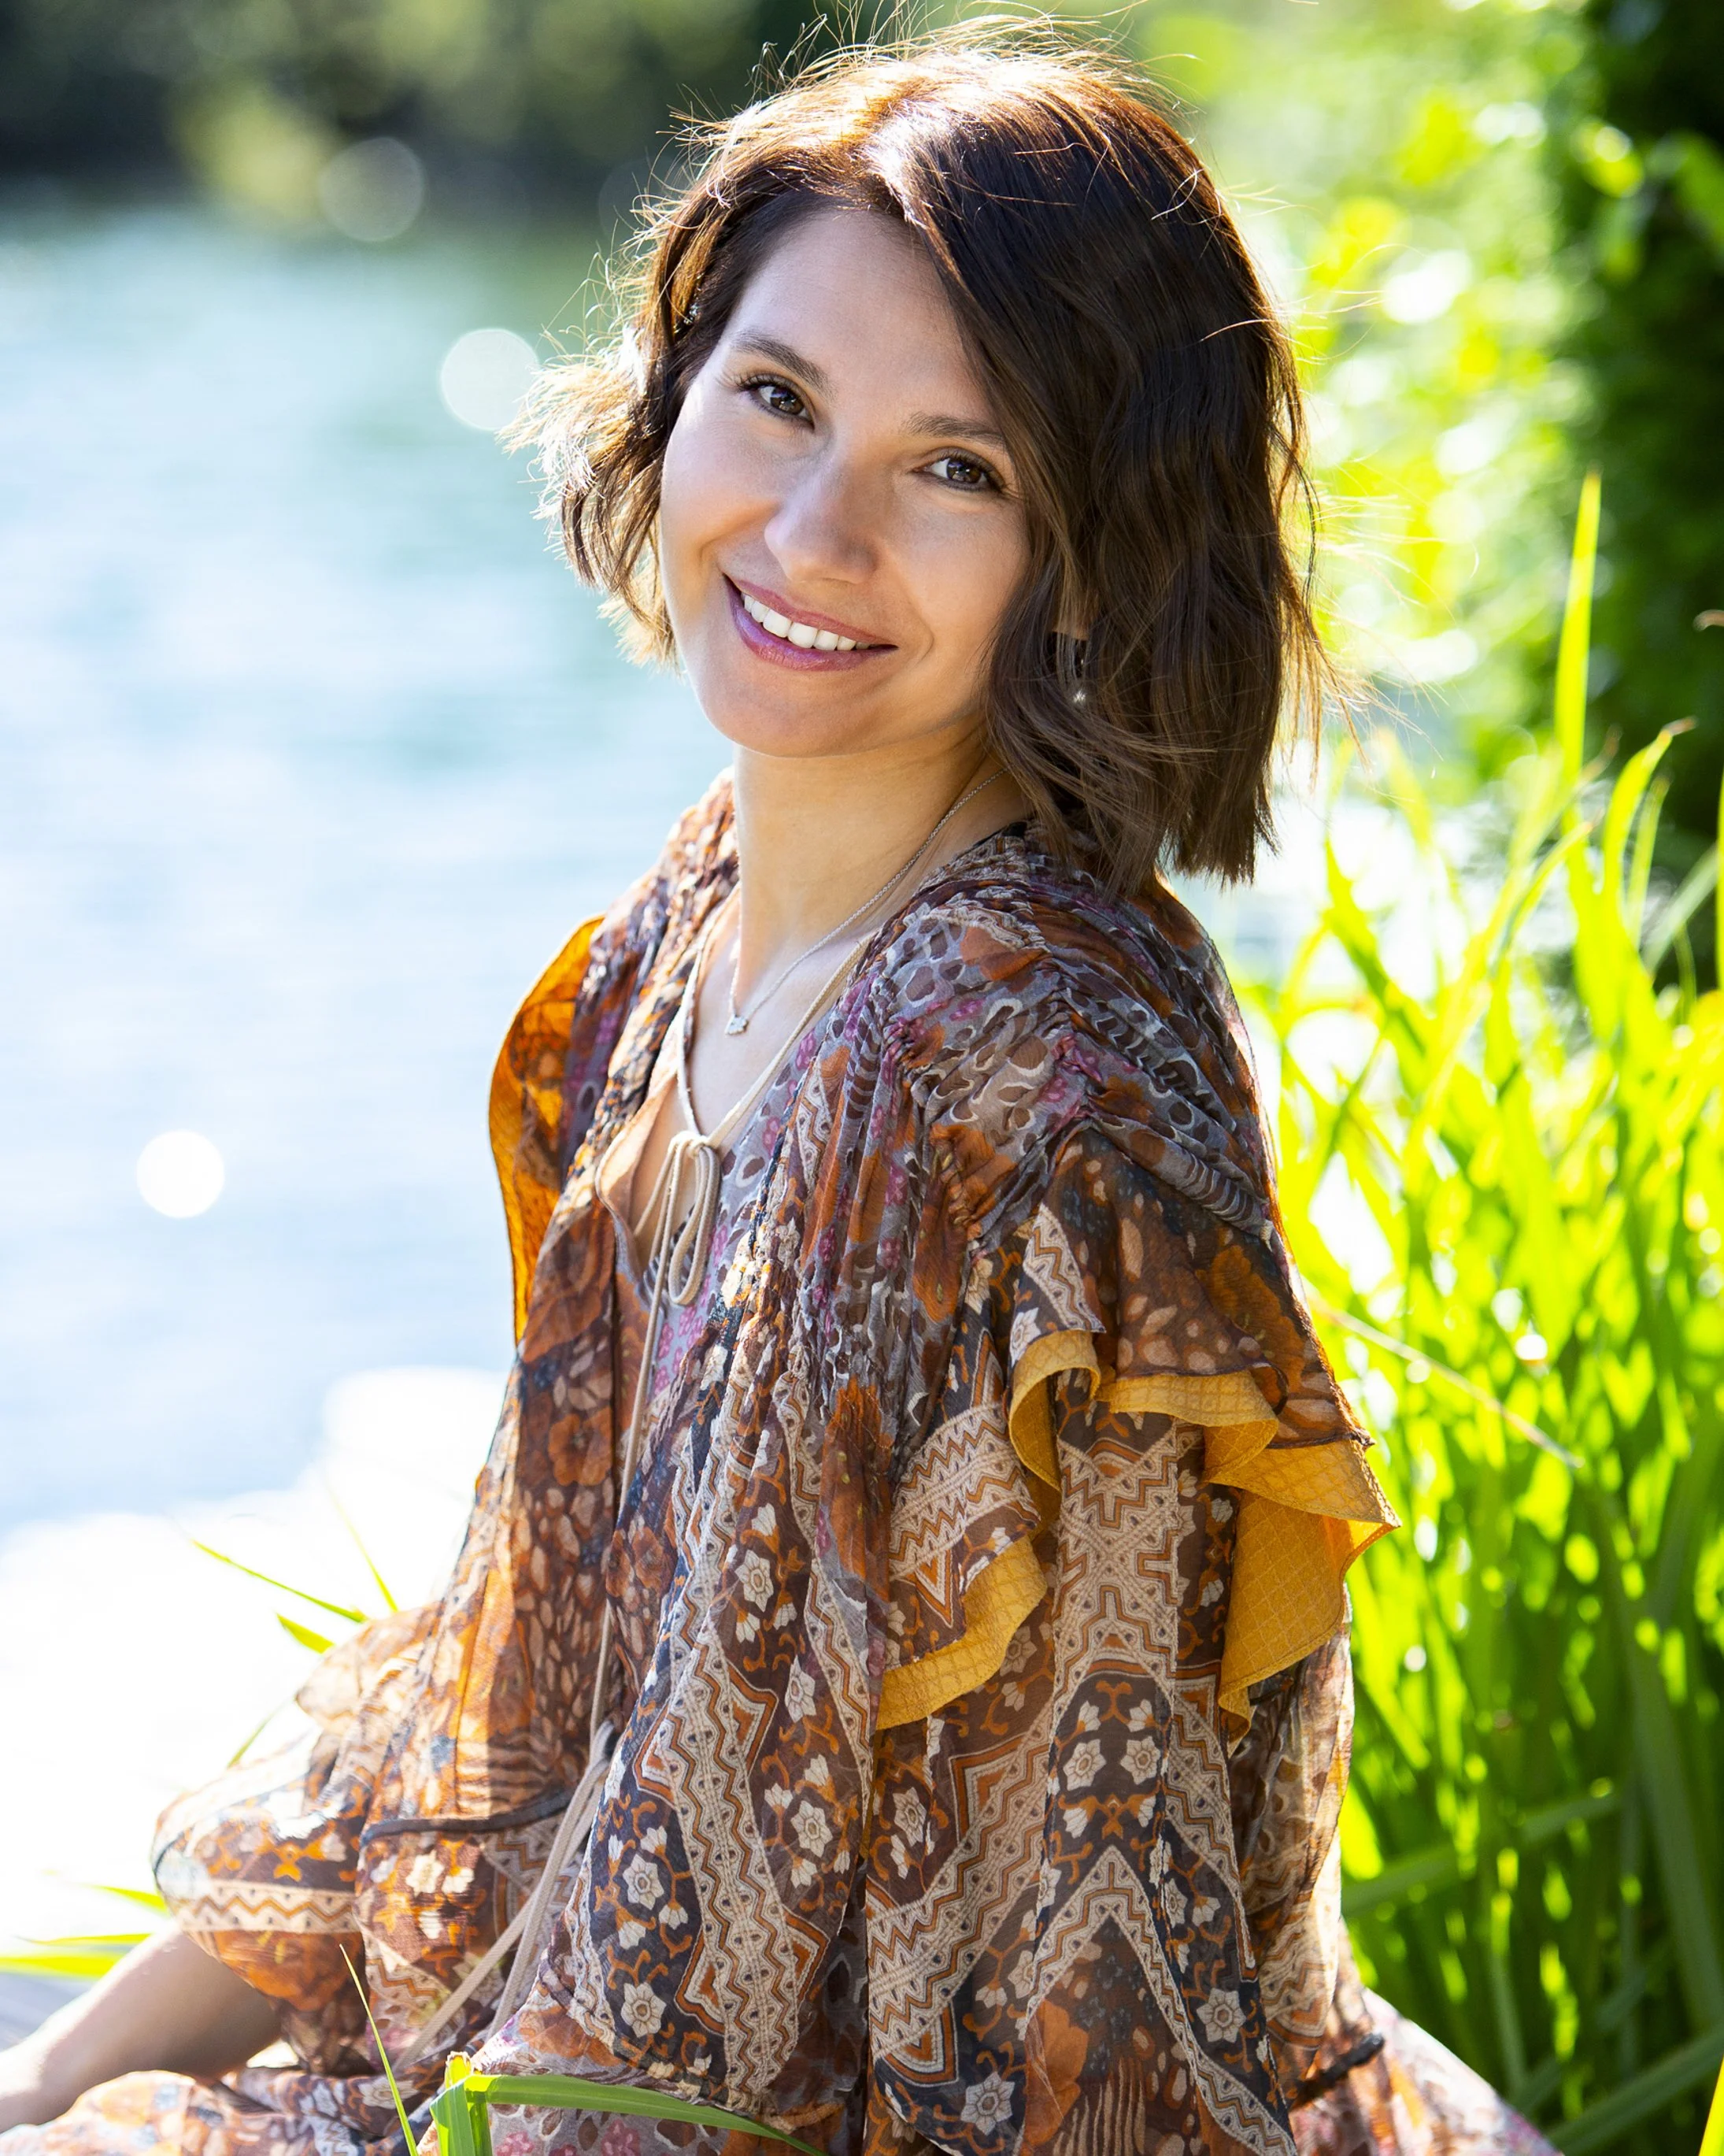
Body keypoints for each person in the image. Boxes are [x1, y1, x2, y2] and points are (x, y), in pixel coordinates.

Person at [0, 29, 1559, 2156]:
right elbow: (518, 1672)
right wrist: (72, 2060)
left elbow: (1053, 1973)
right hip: (586, 2049)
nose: (811, 531)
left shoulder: (1028, 1077)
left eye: (959, 469)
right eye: (777, 398)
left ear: (1094, 551)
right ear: (675, 394)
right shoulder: (691, 928)